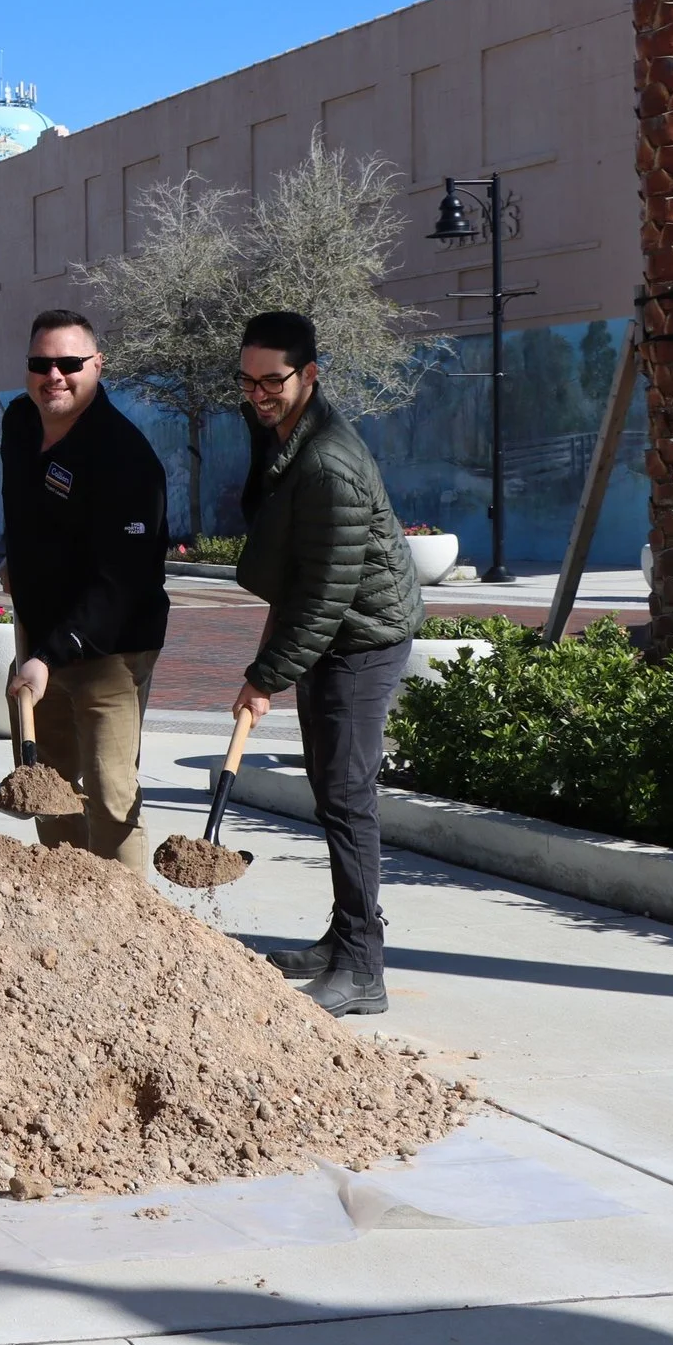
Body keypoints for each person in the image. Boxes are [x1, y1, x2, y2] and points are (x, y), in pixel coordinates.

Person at [229, 310, 422, 1017]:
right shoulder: (283, 433)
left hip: (363, 638)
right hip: (334, 630)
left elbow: (325, 594)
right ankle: (343, 937)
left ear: (309, 375)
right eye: (247, 381)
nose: (258, 394)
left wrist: (265, 676)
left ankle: (364, 969)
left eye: (272, 381)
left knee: (345, 797)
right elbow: (298, 567)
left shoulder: (328, 463)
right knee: (331, 790)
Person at [0, 309, 170, 869]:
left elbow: (123, 582)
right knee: (46, 787)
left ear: (98, 364)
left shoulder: (125, 457)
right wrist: (18, 560)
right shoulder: (20, 422)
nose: (55, 375)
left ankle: (125, 916)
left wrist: (49, 656)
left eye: (70, 363)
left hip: (111, 651)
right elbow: (29, 510)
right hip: (41, 639)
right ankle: (69, 900)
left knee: (109, 794)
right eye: (41, 363)